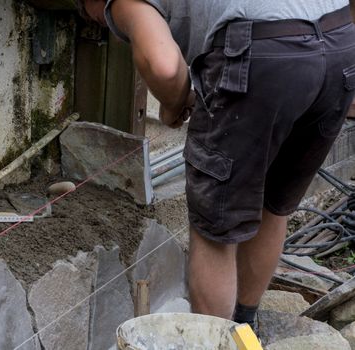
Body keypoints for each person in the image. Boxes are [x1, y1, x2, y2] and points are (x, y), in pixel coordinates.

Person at [77, 0, 355, 330]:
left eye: (85, 11)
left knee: (214, 228)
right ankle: (245, 327)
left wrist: (172, 104)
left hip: (263, 51)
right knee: (273, 203)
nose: (98, 20)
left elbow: (164, 66)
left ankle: (216, 339)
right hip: (339, 42)